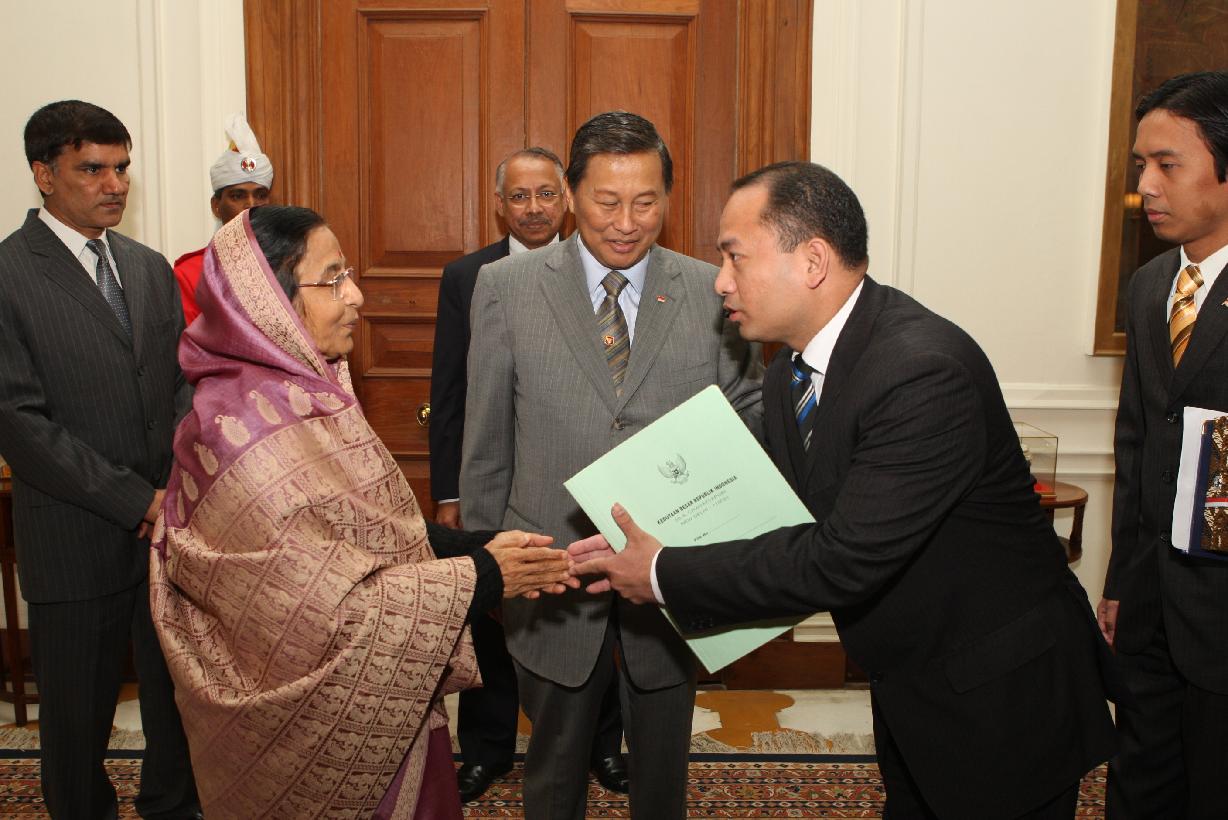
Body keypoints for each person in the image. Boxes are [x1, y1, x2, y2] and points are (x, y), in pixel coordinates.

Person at [570, 161, 1121, 820]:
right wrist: (641, 535)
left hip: (1000, 694)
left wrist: (662, 573)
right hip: (912, 679)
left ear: (811, 261)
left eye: (735, 257)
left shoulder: (922, 371)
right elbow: (764, 506)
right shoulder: (790, 372)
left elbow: (841, 558)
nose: (720, 281)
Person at [149, 205, 573, 818]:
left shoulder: (306, 395)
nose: (356, 295)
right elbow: (323, 612)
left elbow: (367, 534)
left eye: (348, 273)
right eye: (332, 279)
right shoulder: (240, 432)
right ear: (267, 302)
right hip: (312, 737)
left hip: (384, 701)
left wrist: (483, 548)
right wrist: (484, 575)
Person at [461, 111, 763, 819]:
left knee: (662, 772)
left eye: (646, 202)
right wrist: (489, 568)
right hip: (551, 573)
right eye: (607, 202)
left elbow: (745, 419)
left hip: (671, 573)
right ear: (571, 194)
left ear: (669, 198)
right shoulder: (506, 287)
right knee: (553, 768)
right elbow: (486, 444)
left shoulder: (711, 290)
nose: (627, 224)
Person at [0, 100, 200, 818]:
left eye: (122, 168)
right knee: (77, 723)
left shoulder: (146, 268)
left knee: (175, 704)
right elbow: (20, 424)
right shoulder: (8, 274)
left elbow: (181, 383)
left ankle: (171, 807)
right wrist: (134, 499)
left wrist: (179, 487)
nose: (114, 184)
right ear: (43, 174)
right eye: (92, 169)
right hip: (74, 539)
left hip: (167, 534)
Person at [430, 147, 629, 801]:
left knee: (598, 624)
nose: (534, 208)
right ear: (499, 204)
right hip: (504, 483)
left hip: (589, 486)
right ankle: (486, 750)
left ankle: (603, 747)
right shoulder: (468, 277)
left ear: (566, 199)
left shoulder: (603, 270)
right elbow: (452, 391)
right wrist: (452, 493)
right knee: (495, 619)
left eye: (546, 194)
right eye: (520, 196)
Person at [1096, 71, 1228, 819]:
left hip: (1221, 612)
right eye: (1140, 165)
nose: (1145, 185)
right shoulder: (1150, 286)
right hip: (1150, 603)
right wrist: (1120, 581)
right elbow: (1137, 442)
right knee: (1140, 786)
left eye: (1167, 165)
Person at [173, 112, 272, 325]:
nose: (251, 205)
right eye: (238, 196)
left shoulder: (289, 264)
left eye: (260, 195)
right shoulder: (190, 273)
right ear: (216, 206)